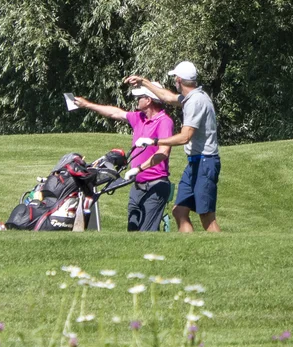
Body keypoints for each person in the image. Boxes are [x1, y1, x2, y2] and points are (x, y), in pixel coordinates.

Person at [125, 61, 220, 232]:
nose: (174, 81)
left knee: (206, 216)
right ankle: (187, 250)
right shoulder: (191, 97)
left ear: (179, 80)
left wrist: (154, 141)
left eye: (175, 78)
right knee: (179, 211)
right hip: (195, 163)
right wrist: (143, 82)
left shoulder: (195, 102)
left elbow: (185, 137)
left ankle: (223, 253)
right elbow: (167, 97)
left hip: (206, 162)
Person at [70, 88, 176, 231]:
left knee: (147, 233)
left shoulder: (164, 122)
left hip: (156, 186)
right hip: (137, 185)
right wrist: (87, 105)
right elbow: (115, 112)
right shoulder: (139, 118)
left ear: (149, 100)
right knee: (132, 231)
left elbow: (163, 152)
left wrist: (139, 168)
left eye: (139, 97)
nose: (137, 100)